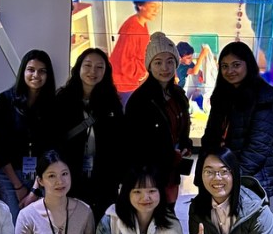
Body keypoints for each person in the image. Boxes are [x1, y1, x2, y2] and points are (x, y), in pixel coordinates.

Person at [53, 48, 126, 221]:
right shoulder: (62, 100)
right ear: (78, 68)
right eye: (87, 65)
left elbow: (120, 142)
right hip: (70, 173)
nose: (93, 71)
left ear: (105, 71)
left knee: (100, 223)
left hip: (103, 176)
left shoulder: (112, 102)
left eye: (99, 67)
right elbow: (54, 138)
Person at [203, 41, 273, 196]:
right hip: (222, 177)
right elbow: (211, 138)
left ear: (248, 65)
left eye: (236, 65)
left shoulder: (263, 97)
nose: (230, 70)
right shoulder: (222, 96)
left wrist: (232, 177)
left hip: (251, 179)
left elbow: (258, 147)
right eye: (224, 66)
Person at [124, 32, 193, 204]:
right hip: (149, 178)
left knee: (168, 214)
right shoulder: (139, 100)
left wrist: (185, 143)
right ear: (149, 65)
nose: (165, 68)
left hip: (172, 174)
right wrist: (169, 155)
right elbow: (134, 145)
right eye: (158, 62)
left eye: (170, 62)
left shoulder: (178, 95)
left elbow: (182, 128)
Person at [0, 50, 58, 222]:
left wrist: (35, 189)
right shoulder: (6, 100)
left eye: (42, 71)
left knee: (39, 225)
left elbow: (52, 148)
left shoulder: (54, 104)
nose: (36, 75)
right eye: (31, 69)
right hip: (8, 175)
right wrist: (18, 186)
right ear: (23, 71)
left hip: (41, 176)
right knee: (13, 224)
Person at [110, 0, 161, 103]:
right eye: (153, 6)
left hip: (132, 79)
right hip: (124, 83)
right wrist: (145, 71)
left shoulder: (141, 22)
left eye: (158, 6)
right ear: (140, 5)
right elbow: (125, 64)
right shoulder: (132, 30)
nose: (156, 11)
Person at [177, 40, 212, 111]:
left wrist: (201, 75)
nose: (191, 59)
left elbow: (197, 71)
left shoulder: (189, 63)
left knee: (200, 97)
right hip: (182, 94)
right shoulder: (180, 67)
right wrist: (202, 55)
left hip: (191, 90)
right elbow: (194, 71)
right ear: (180, 58)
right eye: (188, 58)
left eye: (191, 57)